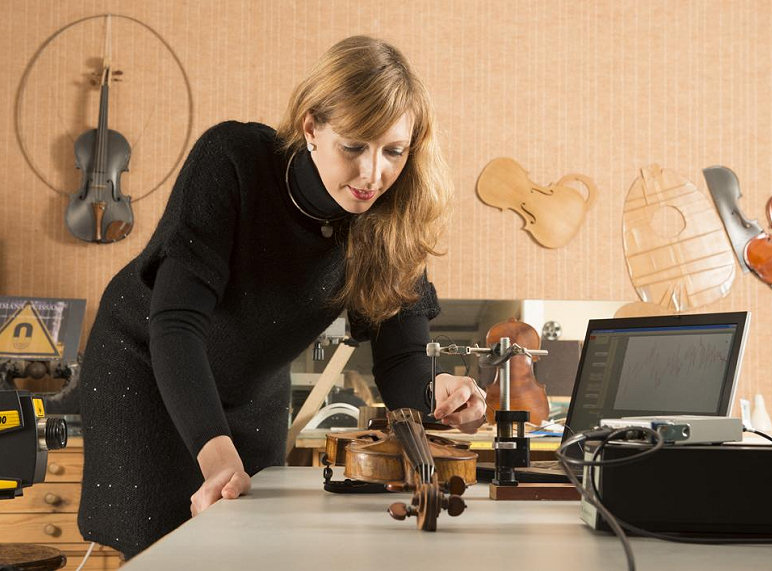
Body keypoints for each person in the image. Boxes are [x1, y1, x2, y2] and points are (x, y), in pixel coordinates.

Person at [77, 35, 486, 559]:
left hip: (252, 386)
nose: (372, 175)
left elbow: (402, 356)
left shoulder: (395, 214)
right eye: (354, 147)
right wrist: (215, 452)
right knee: (164, 549)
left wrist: (439, 398)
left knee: (250, 548)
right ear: (312, 127)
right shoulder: (232, 161)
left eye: (393, 151)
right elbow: (176, 322)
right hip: (148, 368)